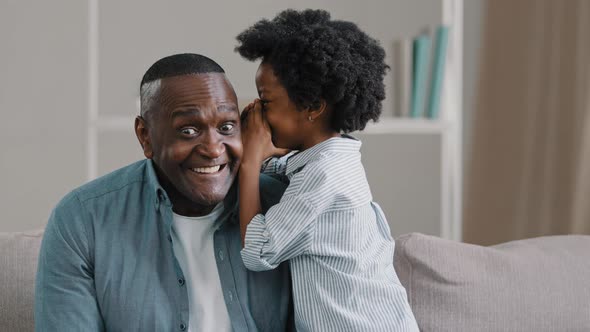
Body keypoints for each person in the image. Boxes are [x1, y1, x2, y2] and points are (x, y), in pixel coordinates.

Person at [34, 53, 293, 332]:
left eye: (226, 127)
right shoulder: (82, 220)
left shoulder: (288, 205)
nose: (214, 149)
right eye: (189, 130)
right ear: (145, 136)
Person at [236, 9, 419, 331]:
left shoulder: (322, 175)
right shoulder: (336, 159)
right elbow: (284, 171)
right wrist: (266, 152)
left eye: (266, 103)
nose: (257, 113)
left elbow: (259, 251)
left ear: (313, 107)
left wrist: (250, 162)